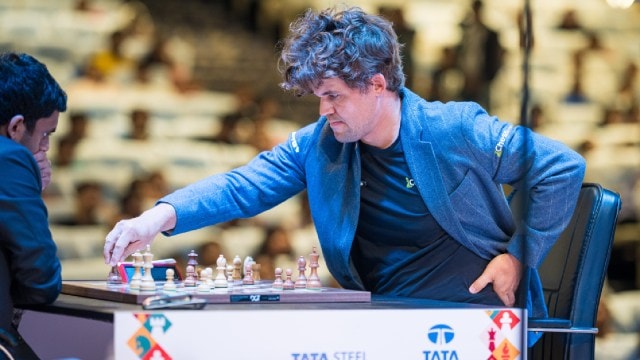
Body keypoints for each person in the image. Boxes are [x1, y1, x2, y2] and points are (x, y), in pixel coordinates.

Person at [104, 6, 585, 345]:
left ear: (377, 84)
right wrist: (157, 217)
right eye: (318, 95)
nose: (323, 109)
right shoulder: (324, 141)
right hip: (385, 320)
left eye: (333, 95)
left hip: (474, 319)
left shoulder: (453, 128)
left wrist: (519, 256)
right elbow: (244, 184)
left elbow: (562, 167)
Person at [0, 52, 67, 359]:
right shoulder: (10, 158)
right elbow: (42, 282)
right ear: (16, 128)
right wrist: (31, 187)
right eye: (45, 134)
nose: (45, 148)